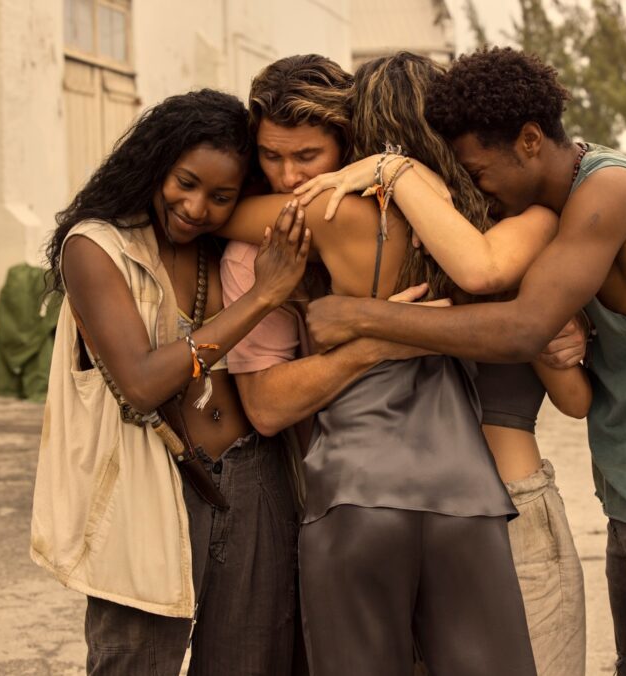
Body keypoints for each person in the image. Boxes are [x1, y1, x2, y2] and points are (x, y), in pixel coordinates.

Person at [298, 47, 626, 676]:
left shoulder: (608, 191)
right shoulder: (567, 208)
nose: (476, 186)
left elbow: (521, 331)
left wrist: (362, 317)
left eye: (479, 170)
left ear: (528, 140)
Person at [217, 53, 543, 675]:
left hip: (354, 486)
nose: (289, 178)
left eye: (306, 159)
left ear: (354, 136)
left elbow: (215, 212)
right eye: (271, 157)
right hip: (466, 488)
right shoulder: (485, 219)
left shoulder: (324, 214)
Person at [30, 90, 311, 675]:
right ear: (155, 163)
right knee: (136, 663)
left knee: (251, 662)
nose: (196, 206)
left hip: (252, 477)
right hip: (148, 488)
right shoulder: (97, 247)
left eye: (221, 196)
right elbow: (140, 382)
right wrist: (264, 296)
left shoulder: (221, 246)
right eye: (185, 182)